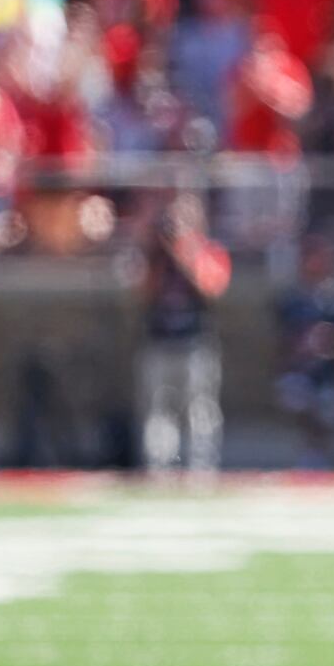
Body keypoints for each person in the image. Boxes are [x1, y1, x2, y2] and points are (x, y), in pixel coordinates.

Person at [138, 195, 230, 481]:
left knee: (200, 409)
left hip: (195, 344)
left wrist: (184, 255)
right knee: (158, 410)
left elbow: (211, 290)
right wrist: (159, 253)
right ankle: (160, 468)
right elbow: (143, 292)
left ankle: (201, 469)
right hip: (160, 341)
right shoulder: (155, 256)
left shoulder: (209, 252)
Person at [274, 233, 334, 469]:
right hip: (300, 371)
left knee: (331, 400)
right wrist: (300, 351)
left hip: (331, 373)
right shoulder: (292, 298)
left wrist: (329, 343)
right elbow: (282, 342)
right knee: (295, 392)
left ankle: (322, 453)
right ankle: (308, 453)